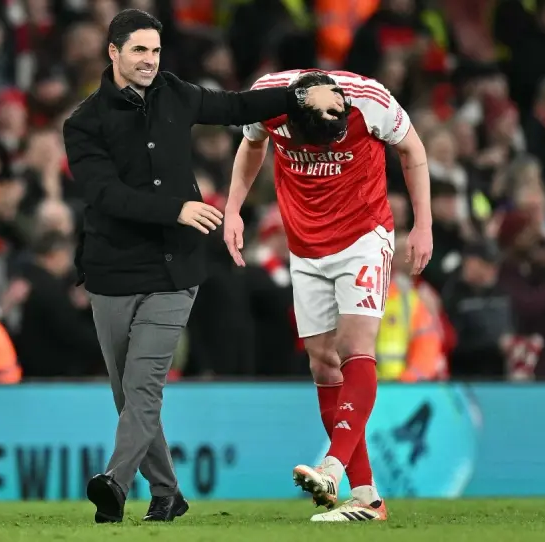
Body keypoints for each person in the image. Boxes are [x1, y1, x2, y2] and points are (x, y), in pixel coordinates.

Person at [62, 9, 345, 525]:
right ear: (113, 52)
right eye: (139, 50)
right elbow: (104, 195)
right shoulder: (83, 123)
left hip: (175, 268)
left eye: (155, 50)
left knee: (143, 388)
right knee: (128, 394)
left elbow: (235, 106)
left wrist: (297, 96)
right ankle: (167, 494)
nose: (150, 60)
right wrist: (176, 209)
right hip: (111, 269)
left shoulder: (175, 92)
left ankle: (115, 483)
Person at [223, 70, 433, 522]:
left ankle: (332, 468)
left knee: (354, 346)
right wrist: (233, 209)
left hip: (363, 235)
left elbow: (412, 149)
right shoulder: (266, 98)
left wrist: (423, 224)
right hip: (304, 244)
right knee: (322, 363)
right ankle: (368, 499)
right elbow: (252, 144)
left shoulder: (370, 99)